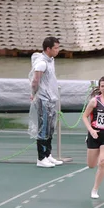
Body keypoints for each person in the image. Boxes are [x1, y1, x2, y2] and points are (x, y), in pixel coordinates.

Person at [28, 36, 63, 168]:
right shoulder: (42, 63)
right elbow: (35, 81)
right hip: (43, 99)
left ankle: (48, 154)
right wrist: (33, 94)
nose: (57, 50)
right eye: (55, 48)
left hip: (51, 98)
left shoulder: (51, 60)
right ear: (48, 49)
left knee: (50, 127)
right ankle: (41, 157)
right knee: (43, 127)